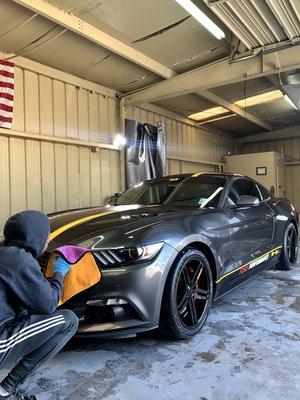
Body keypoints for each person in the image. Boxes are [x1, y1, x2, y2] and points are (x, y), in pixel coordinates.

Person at [0, 211, 79, 400]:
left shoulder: (4, 253)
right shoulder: (20, 260)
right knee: (68, 320)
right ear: (35, 236)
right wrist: (59, 273)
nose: (48, 242)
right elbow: (48, 304)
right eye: (47, 235)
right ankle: (6, 389)